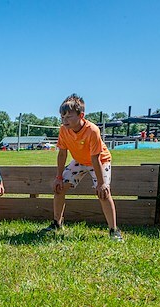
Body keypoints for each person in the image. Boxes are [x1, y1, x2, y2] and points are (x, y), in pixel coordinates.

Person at [42, 94, 123, 241]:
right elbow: (62, 154)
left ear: (81, 115)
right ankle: (56, 223)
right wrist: (59, 177)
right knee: (59, 188)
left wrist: (101, 183)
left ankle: (114, 230)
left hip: (100, 161)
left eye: (68, 116)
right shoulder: (63, 130)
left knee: (103, 193)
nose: (64, 120)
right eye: (62, 117)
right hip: (79, 161)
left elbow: (95, 158)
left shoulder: (92, 130)